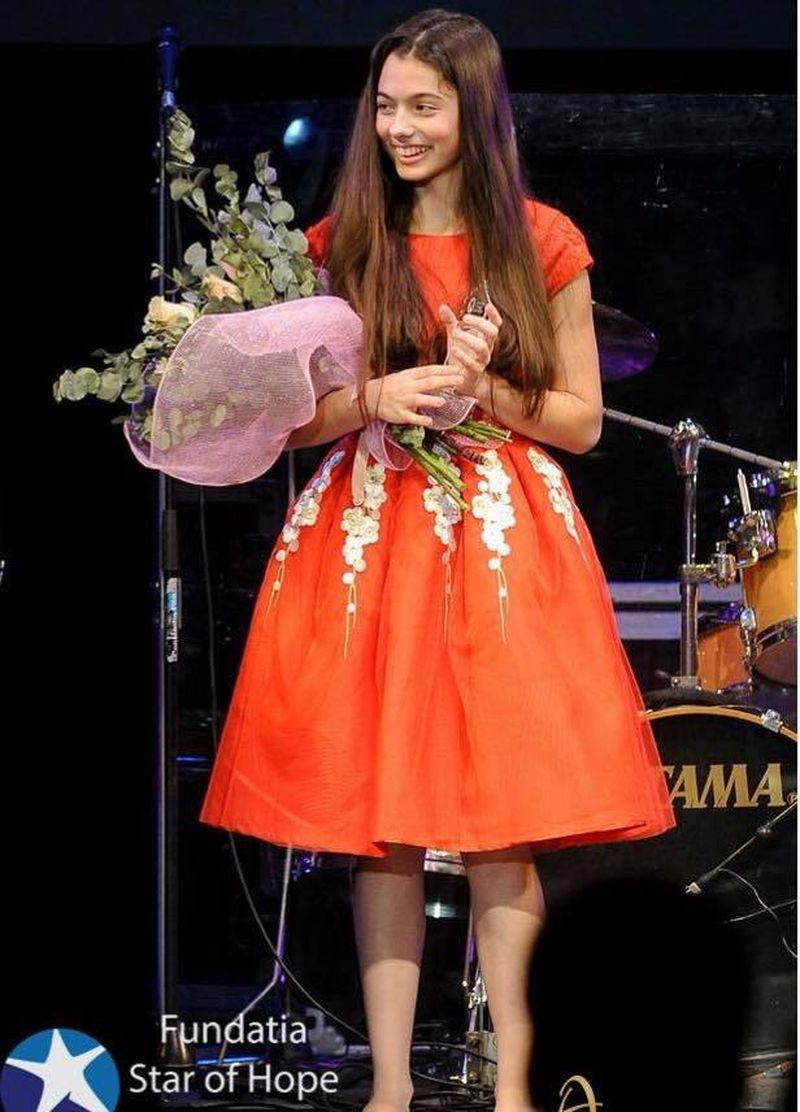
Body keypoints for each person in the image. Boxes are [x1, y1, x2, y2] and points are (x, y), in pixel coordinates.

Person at [199, 10, 676, 1112]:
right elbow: (287, 422)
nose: (399, 127)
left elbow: (581, 420)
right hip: (371, 534)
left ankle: (514, 1087)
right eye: (385, 106)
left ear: (476, 112)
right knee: (385, 827)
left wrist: (481, 390)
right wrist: (374, 394)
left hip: (501, 541)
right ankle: (390, 1088)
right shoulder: (338, 244)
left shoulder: (542, 240)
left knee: (501, 829)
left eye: (424, 105)